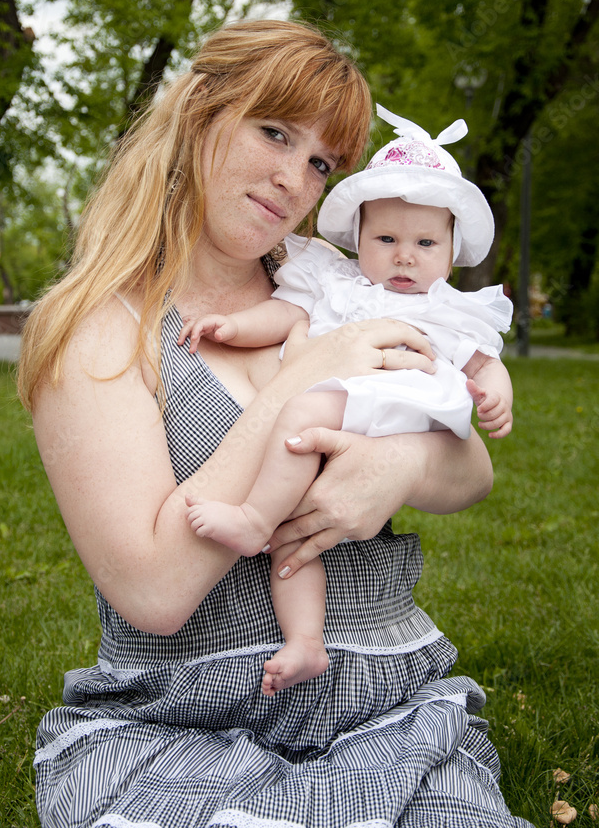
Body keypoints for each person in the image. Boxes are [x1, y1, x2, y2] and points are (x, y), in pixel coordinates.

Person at [18, 20, 533, 828]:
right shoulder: (99, 328)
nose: (295, 179)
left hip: (382, 706)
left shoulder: (335, 282)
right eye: (275, 133)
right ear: (199, 113)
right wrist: (304, 373)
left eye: (321, 162)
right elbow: (152, 590)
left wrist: (398, 466)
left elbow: (472, 469)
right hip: (180, 722)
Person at [180, 104, 513, 697]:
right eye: (386, 238)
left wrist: (494, 397)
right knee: (299, 530)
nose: (405, 255)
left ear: (450, 249)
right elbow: (286, 314)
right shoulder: (338, 286)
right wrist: (234, 327)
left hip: (389, 412)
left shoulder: (446, 309)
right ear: (358, 239)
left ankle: (252, 519)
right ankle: (305, 642)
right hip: (351, 404)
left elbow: (485, 361)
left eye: (425, 242)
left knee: (299, 419)